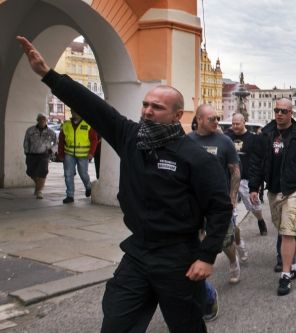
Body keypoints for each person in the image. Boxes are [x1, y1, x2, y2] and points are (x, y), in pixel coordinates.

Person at [17, 36, 232, 332]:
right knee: (117, 323)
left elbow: (220, 209)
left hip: (178, 256)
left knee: (186, 326)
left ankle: (204, 298)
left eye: (156, 107)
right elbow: (94, 107)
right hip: (138, 252)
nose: (146, 111)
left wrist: (207, 256)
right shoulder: (131, 137)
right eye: (145, 104)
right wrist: (48, 75)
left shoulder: (195, 158)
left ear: (176, 115)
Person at [249, 98, 296, 296]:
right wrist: (254, 187)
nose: (279, 114)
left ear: (291, 113)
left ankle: (285, 275)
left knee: (288, 230)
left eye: (283, 111)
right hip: (273, 190)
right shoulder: (266, 134)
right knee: (281, 229)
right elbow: (257, 162)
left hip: (294, 189)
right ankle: (292, 263)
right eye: (277, 110)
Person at [188, 104, 245, 284]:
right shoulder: (188, 141)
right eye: (211, 119)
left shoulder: (224, 141)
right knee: (196, 237)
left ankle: (233, 261)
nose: (216, 122)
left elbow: (235, 171)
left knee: (226, 240)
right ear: (199, 119)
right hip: (194, 200)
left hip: (219, 201)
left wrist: (232, 197)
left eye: (217, 119)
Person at [227, 112, 268, 235]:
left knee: (253, 205)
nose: (235, 126)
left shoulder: (253, 138)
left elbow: (259, 160)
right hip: (231, 178)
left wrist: (258, 181)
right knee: (229, 204)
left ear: (244, 122)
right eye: (233, 124)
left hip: (246, 178)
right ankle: (231, 230)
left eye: (237, 124)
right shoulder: (227, 137)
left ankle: (260, 220)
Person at [58, 110, 98, 204]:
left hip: (83, 155)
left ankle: (88, 187)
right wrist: (61, 154)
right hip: (69, 154)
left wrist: (91, 152)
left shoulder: (88, 124)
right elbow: (61, 140)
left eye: (77, 112)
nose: (75, 114)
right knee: (68, 174)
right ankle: (70, 195)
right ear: (71, 113)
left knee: (83, 173)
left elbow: (94, 140)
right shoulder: (66, 125)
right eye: (73, 112)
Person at [23, 113, 57, 199]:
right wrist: (27, 151)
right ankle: (38, 186)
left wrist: (51, 150)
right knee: (30, 172)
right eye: (40, 119)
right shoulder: (30, 130)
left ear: (46, 121)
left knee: (43, 172)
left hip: (44, 155)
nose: (42, 121)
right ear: (37, 120)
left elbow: (57, 143)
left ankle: (39, 191)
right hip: (32, 154)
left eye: (44, 119)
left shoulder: (51, 132)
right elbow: (26, 141)